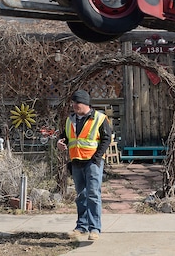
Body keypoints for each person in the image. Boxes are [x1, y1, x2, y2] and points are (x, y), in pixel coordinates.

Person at [57, 89, 112, 242]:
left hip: (92, 162)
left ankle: (95, 228)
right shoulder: (70, 119)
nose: (74, 105)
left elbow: (106, 139)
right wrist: (61, 142)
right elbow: (65, 137)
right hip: (76, 162)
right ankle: (81, 227)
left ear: (86, 103)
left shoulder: (100, 119)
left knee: (93, 194)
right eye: (73, 102)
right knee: (81, 195)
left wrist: (96, 158)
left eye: (77, 102)